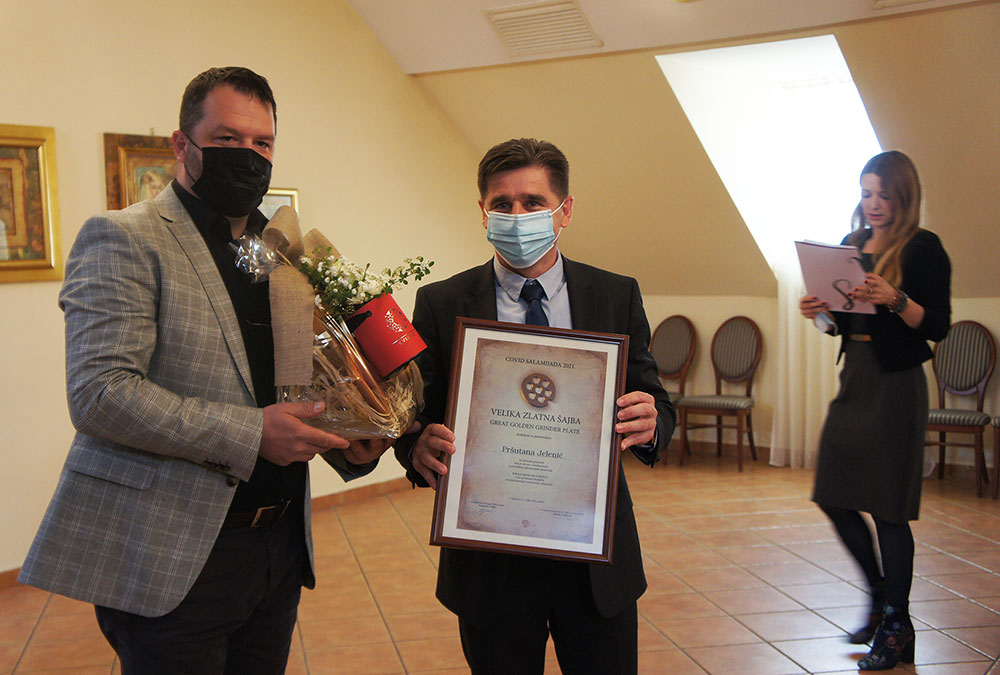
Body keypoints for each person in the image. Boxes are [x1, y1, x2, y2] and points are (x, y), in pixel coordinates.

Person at [18, 66, 393, 674]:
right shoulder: (125, 238)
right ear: (181, 143)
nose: (247, 155)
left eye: (262, 143)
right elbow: (100, 393)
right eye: (226, 139)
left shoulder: (283, 250)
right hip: (174, 552)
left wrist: (351, 439)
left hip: (277, 547)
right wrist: (253, 433)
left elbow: (296, 379)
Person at [394, 138, 675, 674]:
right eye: (502, 204)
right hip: (490, 559)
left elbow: (654, 397)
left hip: (594, 557)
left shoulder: (615, 294)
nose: (517, 216)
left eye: (533, 202)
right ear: (483, 212)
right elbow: (414, 414)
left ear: (564, 211)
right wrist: (416, 447)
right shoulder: (441, 302)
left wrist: (653, 421)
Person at [800, 150, 951, 670]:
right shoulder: (852, 244)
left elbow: (937, 325)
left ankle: (897, 625)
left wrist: (895, 298)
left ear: (904, 196)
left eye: (884, 194)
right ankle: (881, 594)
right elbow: (843, 324)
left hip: (896, 388)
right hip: (856, 380)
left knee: (888, 509)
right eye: (867, 193)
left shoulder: (924, 247)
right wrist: (819, 314)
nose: (875, 203)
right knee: (833, 493)